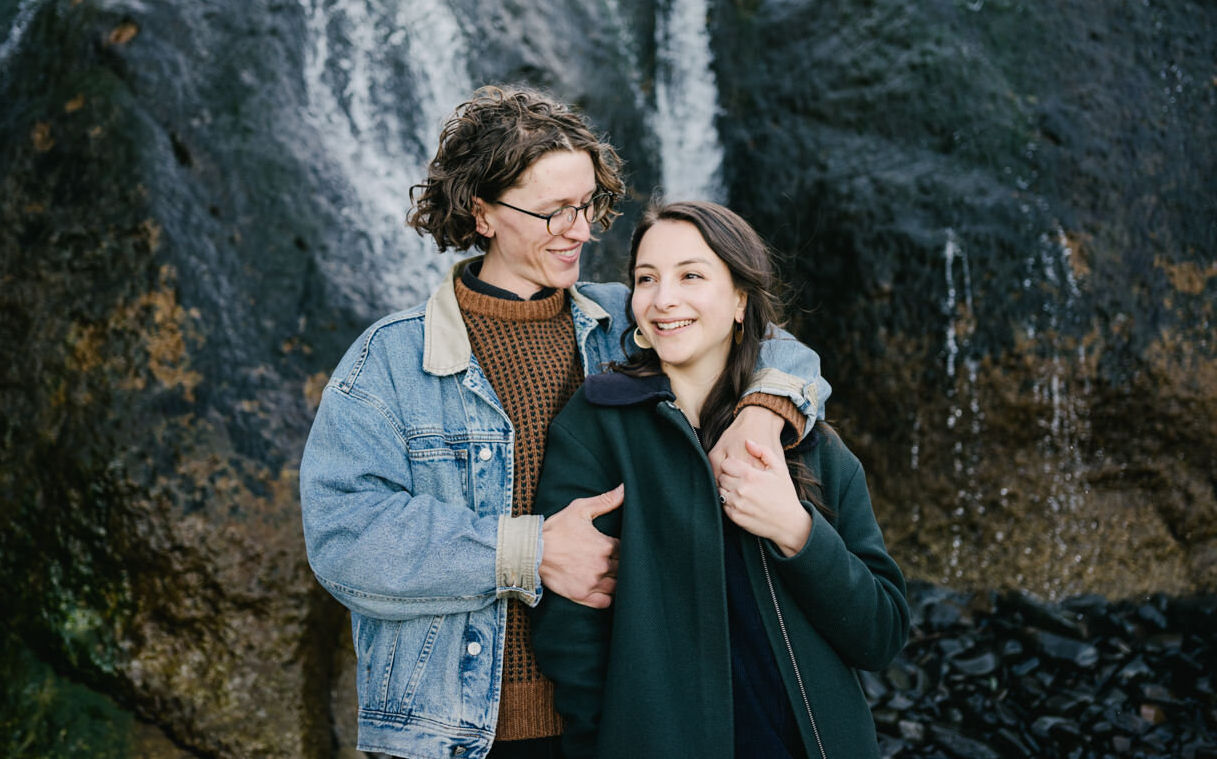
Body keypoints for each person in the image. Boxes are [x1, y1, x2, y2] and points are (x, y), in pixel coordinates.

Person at [300, 87, 830, 759]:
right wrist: (528, 551)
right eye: (552, 212)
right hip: (454, 737)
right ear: (481, 212)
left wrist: (763, 412)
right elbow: (345, 538)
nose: (579, 231)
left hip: (623, 721)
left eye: (586, 206)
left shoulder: (628, 322)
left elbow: (769, 340)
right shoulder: (392, 359)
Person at [531, 200, 909, 759]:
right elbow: (572, 644)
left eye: (691, 276)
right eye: (646, 279)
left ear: (739, 300)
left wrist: (795, 531)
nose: (664, 300)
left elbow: (880, 634)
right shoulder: (594, 430)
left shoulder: (809, 442)